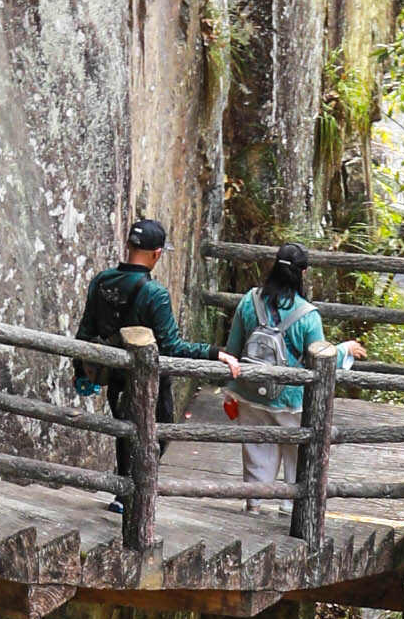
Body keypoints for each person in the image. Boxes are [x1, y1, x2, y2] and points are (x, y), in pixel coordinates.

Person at [74, 213, 233, 483]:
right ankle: (133, 495)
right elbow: (171, 346)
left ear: (129, 246)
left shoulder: (101, 281)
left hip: (114, 377)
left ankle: (122, 491)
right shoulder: (154, 293)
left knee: (125, 433)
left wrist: (81, 371)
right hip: (149, 383)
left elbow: (85, 332)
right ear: (157, 254)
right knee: (156, 436)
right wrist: (213, 352)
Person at [224, 242, 356, 504]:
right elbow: (320, 358)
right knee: (297, 460)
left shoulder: (249, 302)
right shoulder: (308, 316)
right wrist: (345, 349)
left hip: (250, 393)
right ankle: (290, 508)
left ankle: (254, 507)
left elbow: (232, 350)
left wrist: (230, 391)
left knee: (256, 457)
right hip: (291, 402)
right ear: (303, 273)